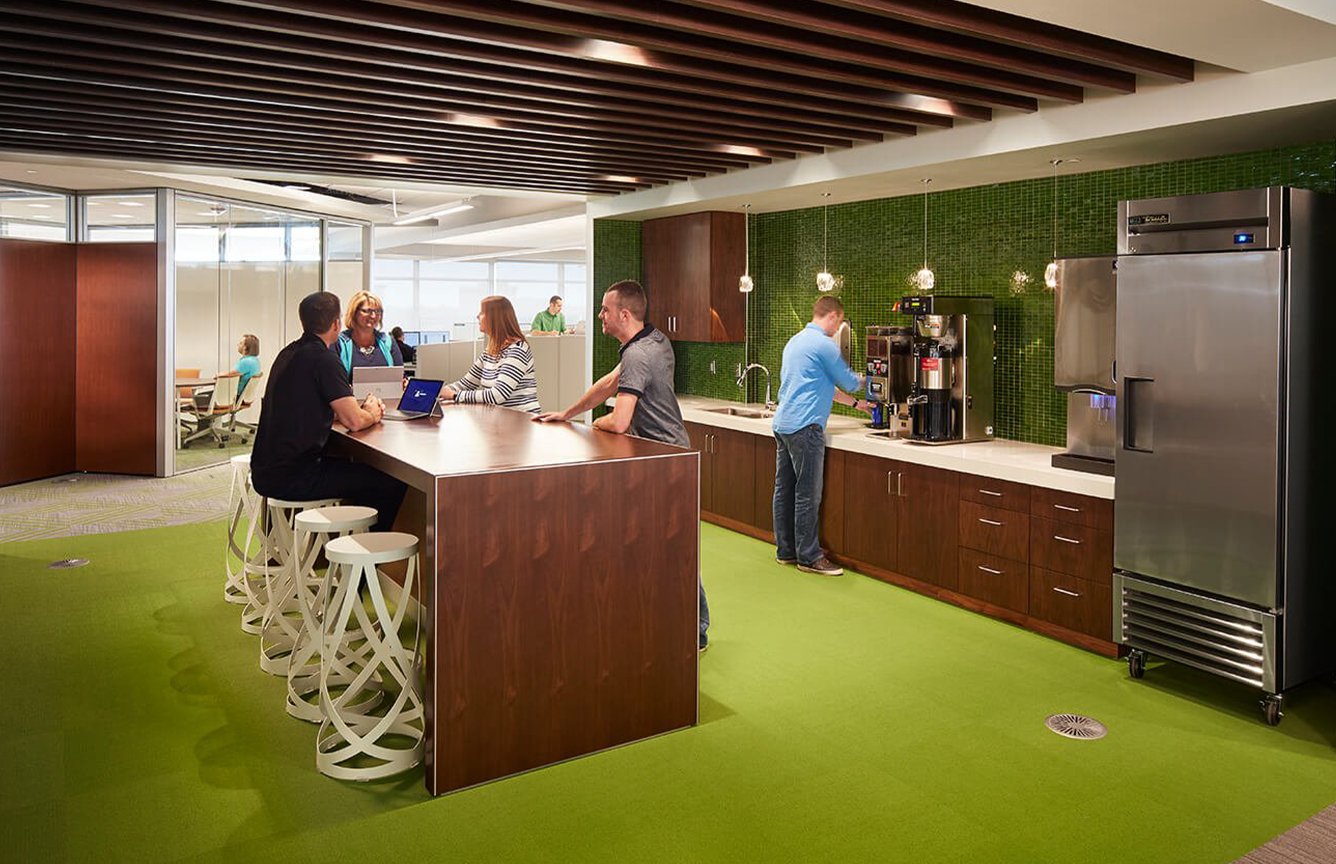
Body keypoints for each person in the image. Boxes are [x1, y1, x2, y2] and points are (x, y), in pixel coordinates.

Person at [536, 280, 710, 652]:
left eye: (604, 310)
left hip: (666, 461)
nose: (600, 316)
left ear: (624, 315)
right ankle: (677, 621)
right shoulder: (652, 340)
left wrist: (592, 424)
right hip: (664, 455)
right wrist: (567, 414)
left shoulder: (638, 355)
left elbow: (617, 420)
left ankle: (695, 631)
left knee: (674, 546)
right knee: (662, 543)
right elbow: (608, 384)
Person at [250, 292, 405, 532]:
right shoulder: (324, 359)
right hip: (295, 475)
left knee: (359, 474)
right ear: (336, 323)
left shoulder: (288, 353)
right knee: (390, 482)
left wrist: (355, 410)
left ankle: (352, 551)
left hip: (266, 469)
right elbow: (354, 421)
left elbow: (307, 405)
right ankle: (367, 562)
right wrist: (372, 413)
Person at [771, 295, 870, 577]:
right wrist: (875, 374)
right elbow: (849, 380)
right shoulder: (824, 345)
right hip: (806, 427)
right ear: (833, 317)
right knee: (807, 494)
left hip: (784, 425)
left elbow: (824, 385)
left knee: (784, 490)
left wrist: (856, 404)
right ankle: (809, 556)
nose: (837, 328)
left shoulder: (796, 341)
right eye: (838, 322)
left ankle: (786, 551)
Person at [442, 296, 541, 414]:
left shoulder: (517, 350)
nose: (477, 316)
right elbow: (466, 384)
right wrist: (440, 391)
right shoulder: (490, 352)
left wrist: (454, 396)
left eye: (482, 313)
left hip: (522, 419)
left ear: (494, 318)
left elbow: (498, 395)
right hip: (500, 420)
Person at [332, 290, 403, 376]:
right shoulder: (340, 343)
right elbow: (334, 380)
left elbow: (400, 376)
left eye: (377, 311)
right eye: (367, 311)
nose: (373, 316)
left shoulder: (388, 342)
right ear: (354, 313)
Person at [234, 333, 261, 398]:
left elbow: (231, 375)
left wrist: (219, 374)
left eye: (240, 343)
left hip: (236, 397)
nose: (238, 345)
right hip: (245, 397)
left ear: (245, 347)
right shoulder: (255, 361)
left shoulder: (246, 362)